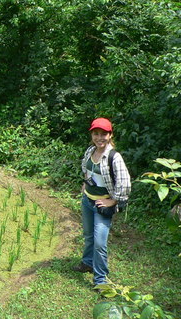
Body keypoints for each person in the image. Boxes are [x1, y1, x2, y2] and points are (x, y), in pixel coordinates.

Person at [72, 117, 131, 288]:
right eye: (96, 134)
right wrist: (85, 184)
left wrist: (113, 201)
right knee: (89, 236)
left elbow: (125, 183)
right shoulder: (90, 151)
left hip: (101, 206)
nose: (99, 138)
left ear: (110, 135)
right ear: (92, 135)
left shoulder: (114, 157)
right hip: (87, 201)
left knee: (99, 242)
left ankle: (100, 280)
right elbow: (86, 170)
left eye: (103, 134)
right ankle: (87, 263)